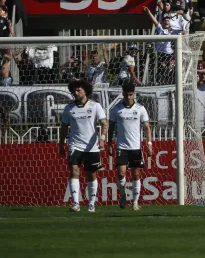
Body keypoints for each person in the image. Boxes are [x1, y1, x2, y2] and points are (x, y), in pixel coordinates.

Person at [59, 80, 108, 213]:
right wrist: (61, 144)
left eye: (78, 90)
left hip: (91, 147)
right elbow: (64, 128)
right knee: (74, 170)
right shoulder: (69, 108)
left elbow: (104, 123)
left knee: (91, 175)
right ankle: (75, 203)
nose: (76, 92)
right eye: (74, 90)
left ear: (85, 91)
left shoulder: (95, 106)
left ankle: (91, 204)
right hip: (75, 145)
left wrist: (102, 138)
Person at [108, 83, 153, 211]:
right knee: (121, 173)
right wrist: (109, 143)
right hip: (121, 147)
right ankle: (123, 195)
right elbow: (111, 127)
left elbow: (147, 128)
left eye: (131, 95)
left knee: (136, 174)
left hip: (136, 147)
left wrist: (149, 144)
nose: (129, 97)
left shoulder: (140, 109)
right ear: (123, 94)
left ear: (134, 94)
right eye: (127, 95)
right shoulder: (116, 109)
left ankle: (135, 202)